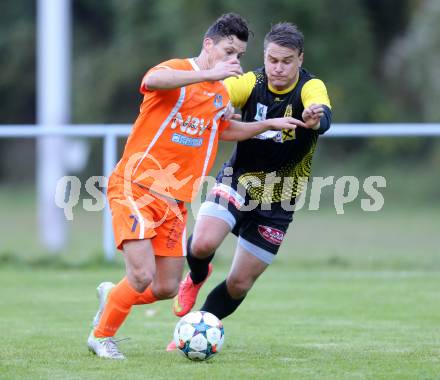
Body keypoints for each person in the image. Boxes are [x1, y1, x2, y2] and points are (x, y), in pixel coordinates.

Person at [87, 14, 305, 359]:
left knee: (166, 286)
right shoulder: (180, 71)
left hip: (175, 202)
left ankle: (114, 296)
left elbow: (224, 131)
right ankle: (102, 336)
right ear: (208, 45)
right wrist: (208, 73)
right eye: (228, 51)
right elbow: (154, 79)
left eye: (239, 54)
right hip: (136, 186)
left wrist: (267, 124)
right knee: (142, 275)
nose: (233, 60)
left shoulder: (220, 96)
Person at [170, 22, 332, 346]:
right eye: (272, 59)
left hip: (278, 201)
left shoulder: (310, 88)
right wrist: (223, 103)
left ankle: (195, 328)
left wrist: (317, 119)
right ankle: (197, 276)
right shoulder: (253, 81)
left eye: (286, 61)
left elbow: (323, 112)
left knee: (240, 283)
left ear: (300, 58)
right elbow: (226, 93)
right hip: (238, 180)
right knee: (202, 244)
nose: (278, 68)